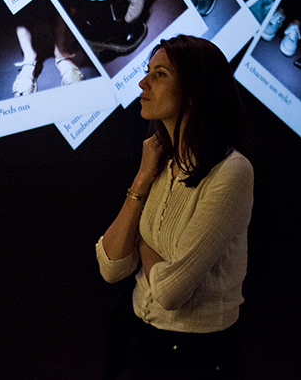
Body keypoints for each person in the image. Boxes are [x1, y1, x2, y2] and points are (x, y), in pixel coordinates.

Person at [96, 35, 254, 379]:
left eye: (160, 75)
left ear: (195, 92)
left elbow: (170, 292)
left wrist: (141, 245)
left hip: (199, 359)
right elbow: (110, 267)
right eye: (147, 71)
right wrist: (141, 178)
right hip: (142, 343)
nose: (143, 83)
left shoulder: (231, 171)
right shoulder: (161, 163)